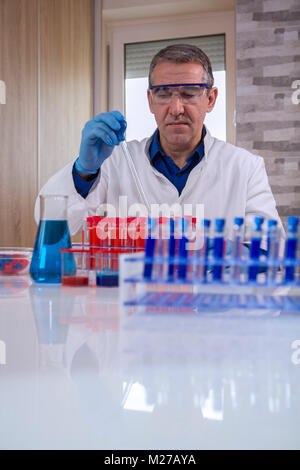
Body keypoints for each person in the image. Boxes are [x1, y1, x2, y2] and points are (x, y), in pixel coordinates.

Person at [35, 44, 284, 246]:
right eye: (164, 94)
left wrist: (212, 250)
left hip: (211, 306)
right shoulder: (115, 162)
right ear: (150, 100)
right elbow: (51, 224)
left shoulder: (245, 167)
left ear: (211, 98)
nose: (176, 109)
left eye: (189, 93)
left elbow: (270, 248)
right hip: (129, 305)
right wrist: (84, 171)